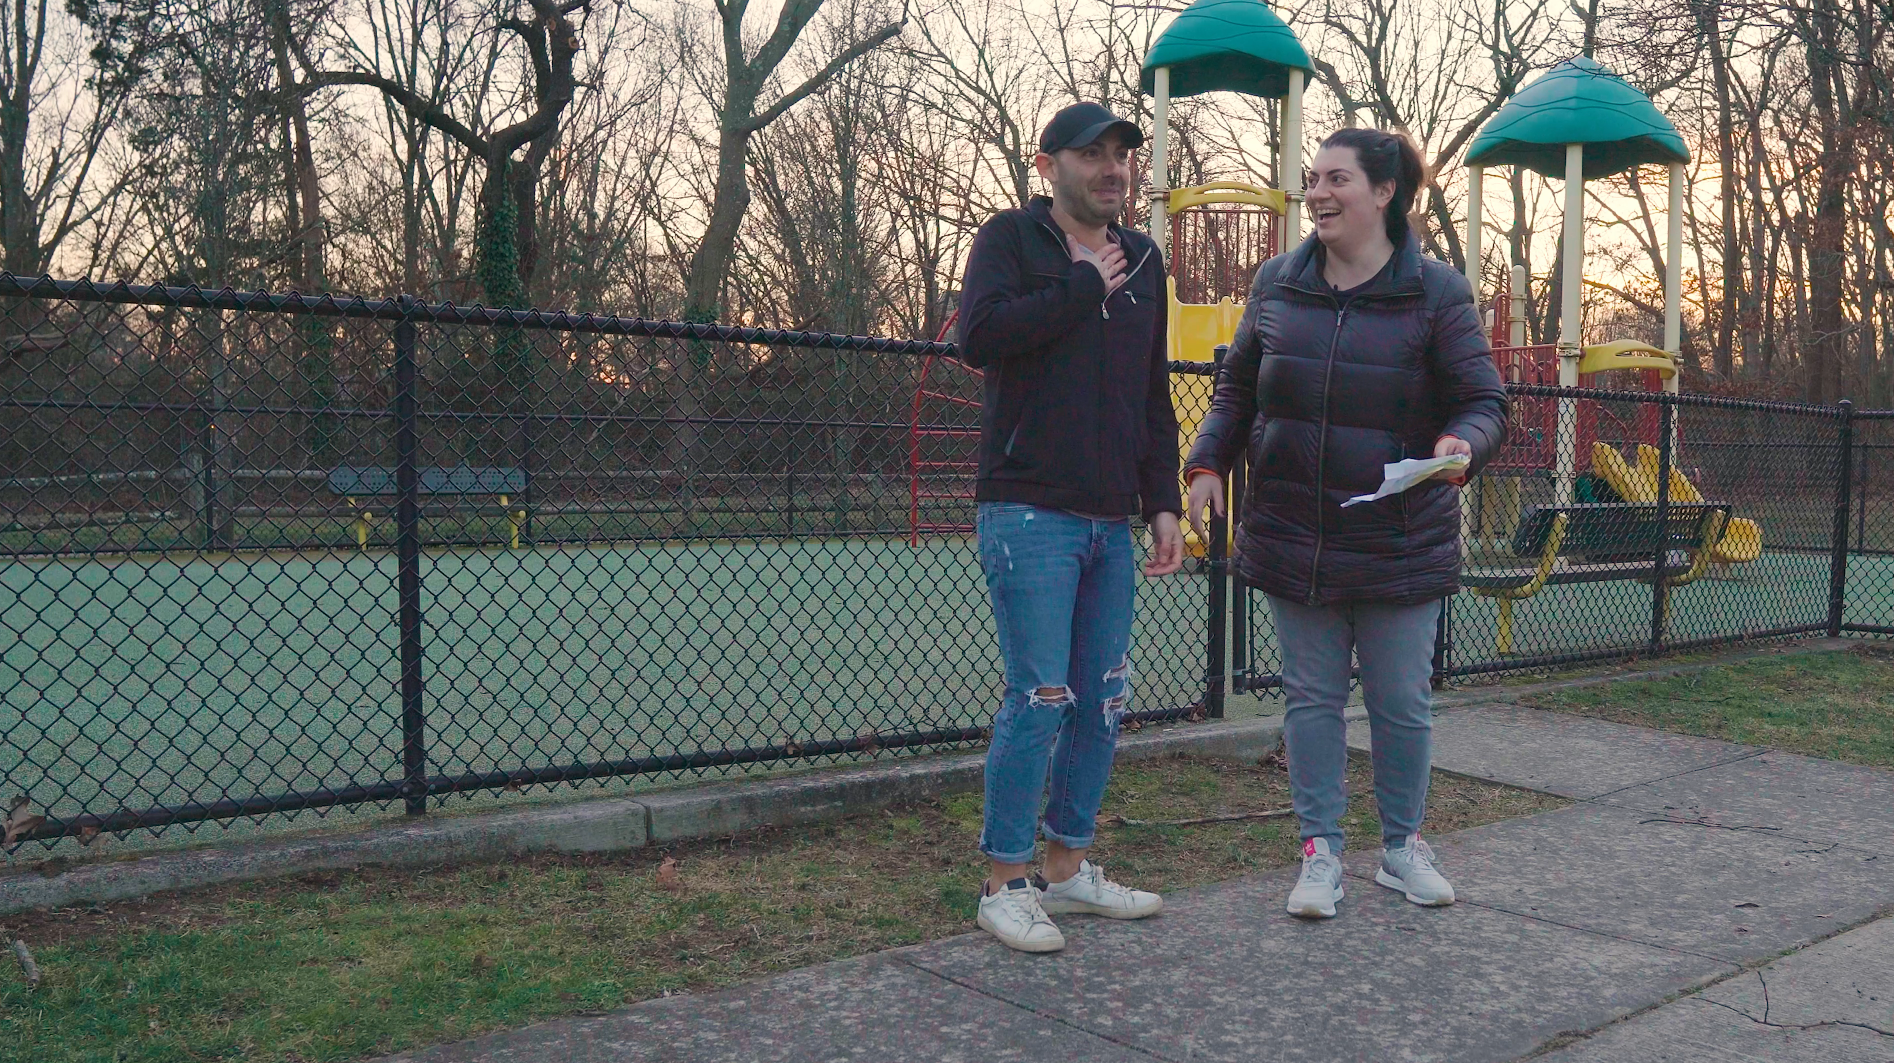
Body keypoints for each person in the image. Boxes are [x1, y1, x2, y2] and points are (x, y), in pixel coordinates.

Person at [1182, 127, 1508, 919]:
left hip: (1401, 537)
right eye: (1312, 179)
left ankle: (1401, 847)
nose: (1318, 194)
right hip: (1297, 531)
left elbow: (1483, 400)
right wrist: (1206, 464)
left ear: (1385, 192)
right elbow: (1237, 391)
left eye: (1336, 180)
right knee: (1311, 700)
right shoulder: (1277, 283)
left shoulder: (1437, 292)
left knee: (1400, 701)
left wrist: (1463, 441)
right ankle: (1320, 852)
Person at [955, 101, 1186, 953]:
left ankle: (1066, 867)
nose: (1113, 168)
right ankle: (1004, 880)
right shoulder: (1010, 241)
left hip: (1109, 520)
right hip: (1027, 509)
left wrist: (1158, 499)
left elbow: (1152, 393)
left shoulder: (1149, 259)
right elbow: (979, 339)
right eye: (1093, 154)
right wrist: (1083, 285)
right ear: (1048, 163)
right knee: (1040, 695)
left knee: (1103, 701)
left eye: (1122, 153)